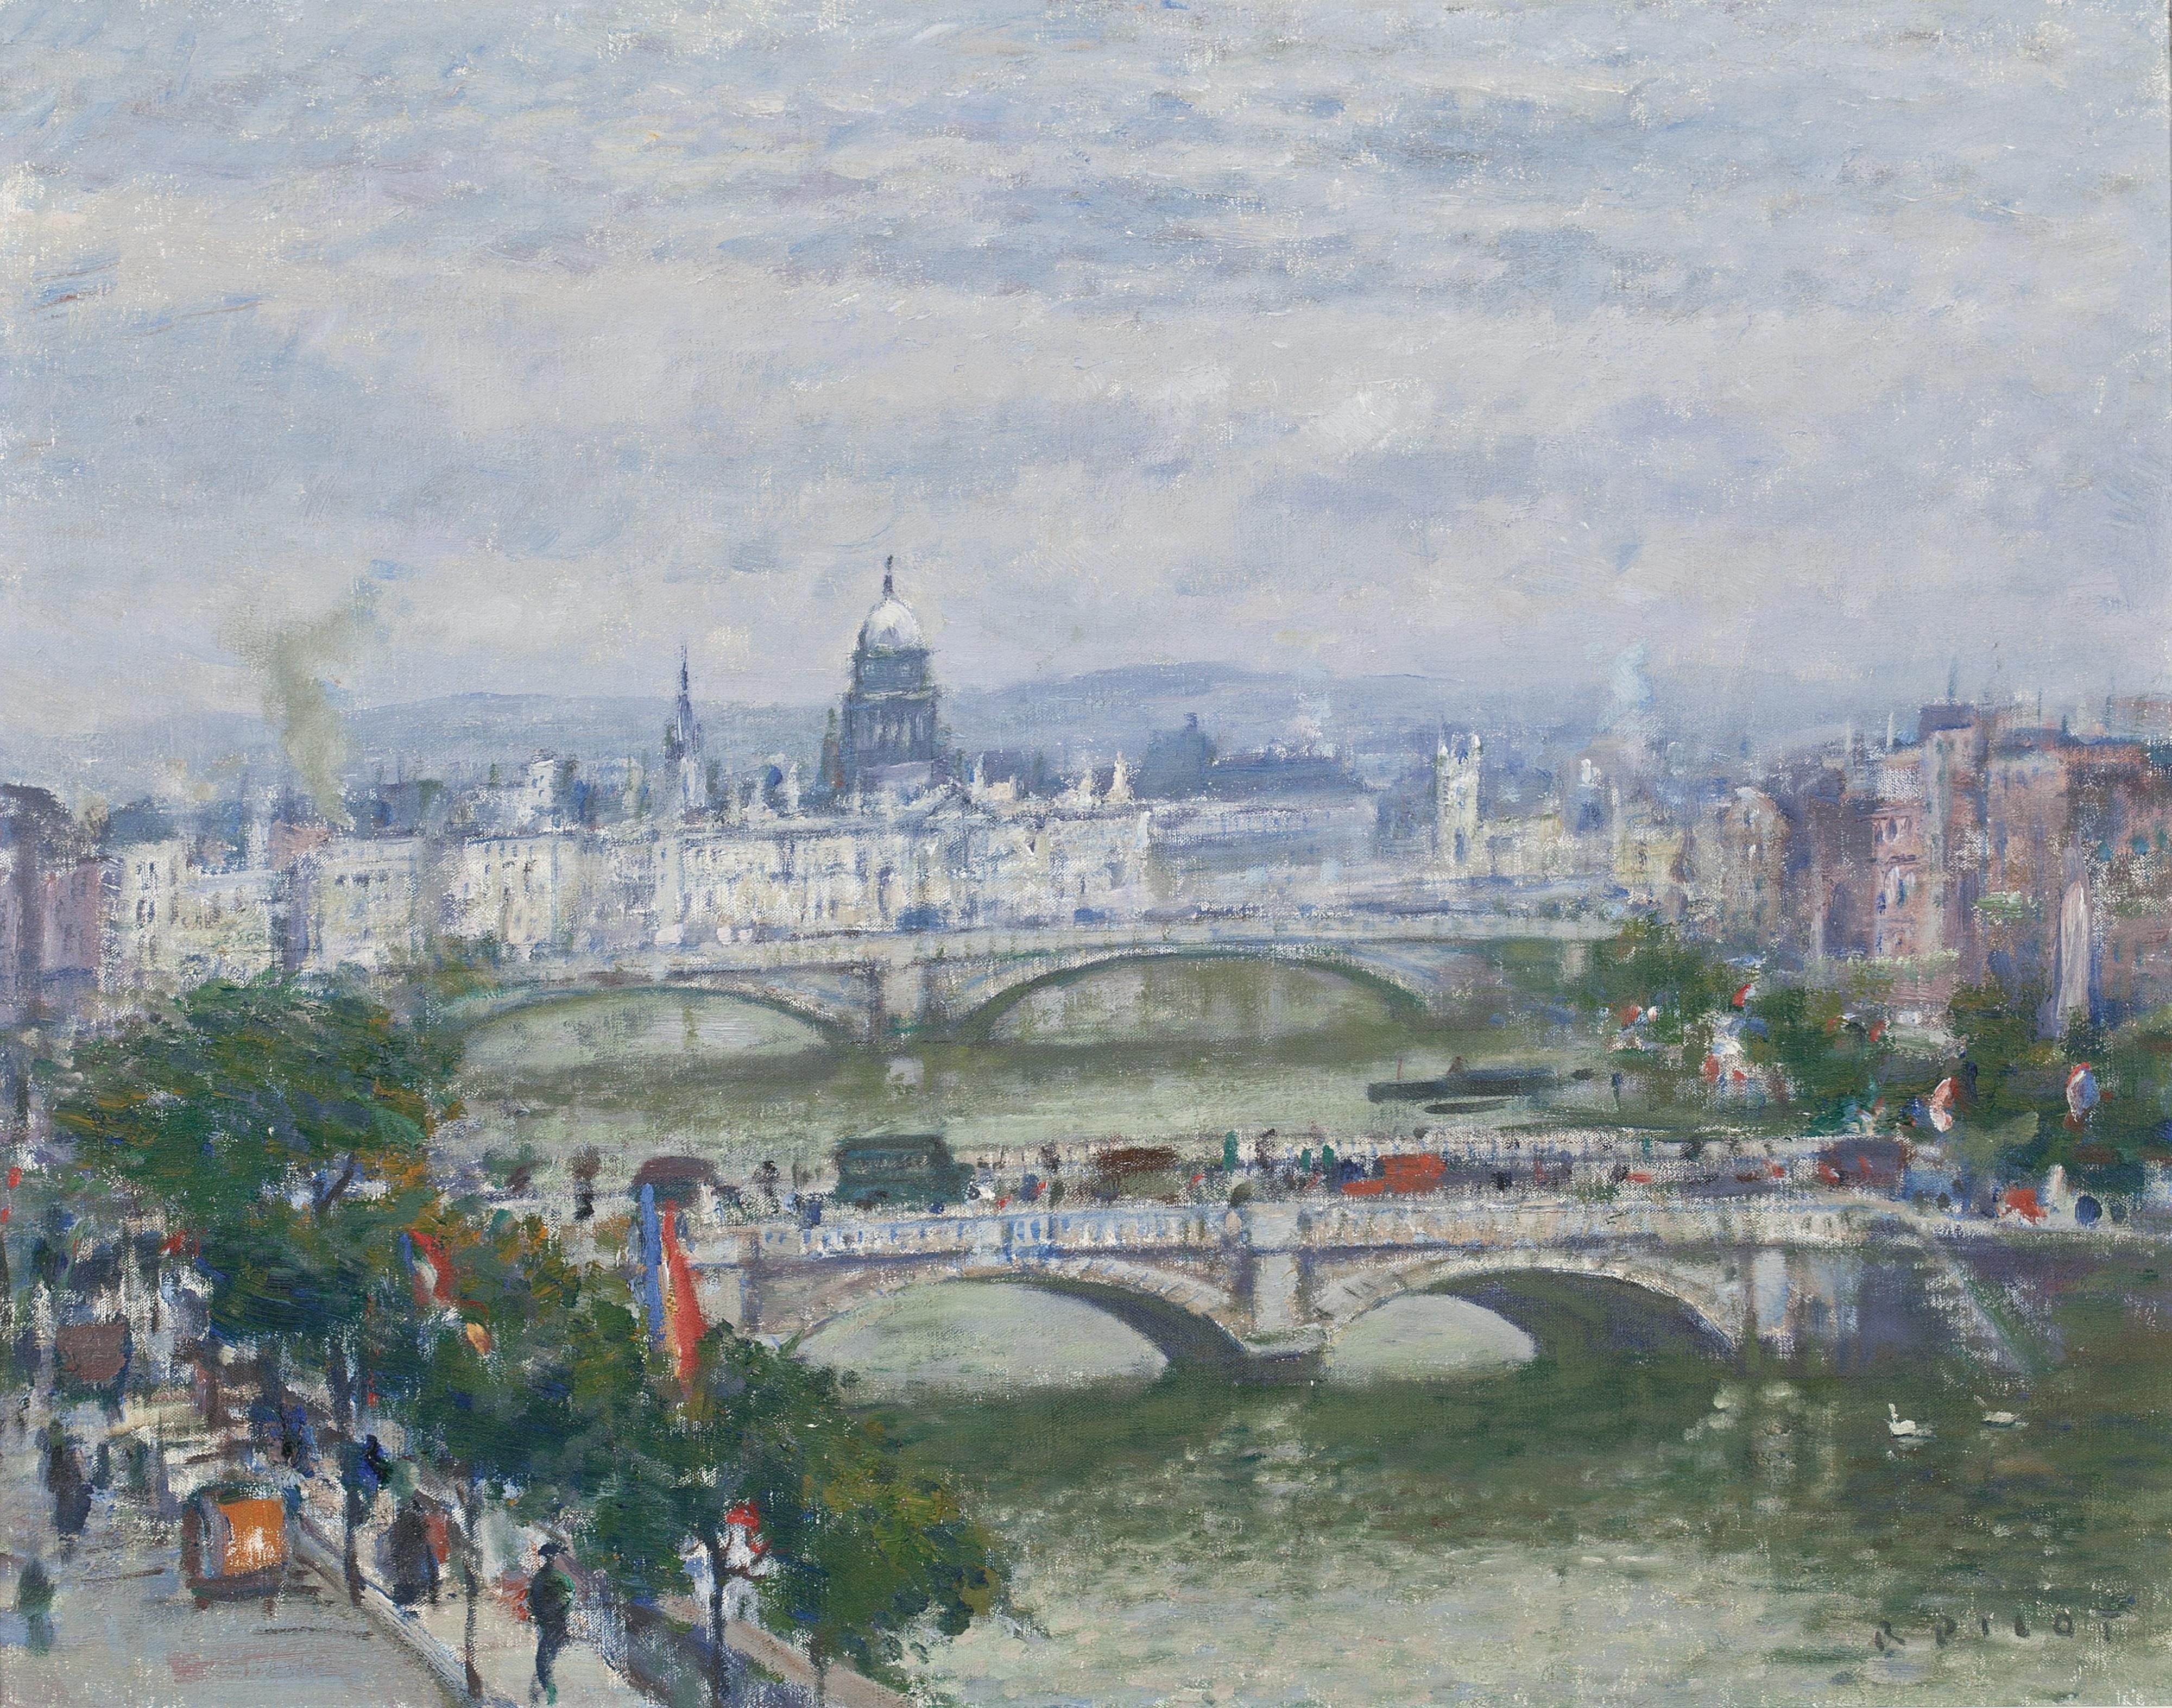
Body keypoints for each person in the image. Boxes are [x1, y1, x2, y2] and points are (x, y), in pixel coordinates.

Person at [528, 1539, 576, 1705]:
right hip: (553, 1625)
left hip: (550, 1625)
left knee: (544, 1661)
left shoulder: (542, 1578)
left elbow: (532, 1600)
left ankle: (550, 1696)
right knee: (545, 1660)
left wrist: (539, 1613)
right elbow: (568, 1599)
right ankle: (546, 1693)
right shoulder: (557, 1579)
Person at [386, 1500, 440, 1607]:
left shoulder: (394, 1538)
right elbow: (434, 1570)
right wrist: (434, 1596)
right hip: (419, 1587)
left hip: (406, 1587)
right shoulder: (423, 1542)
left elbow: (389, 1564)